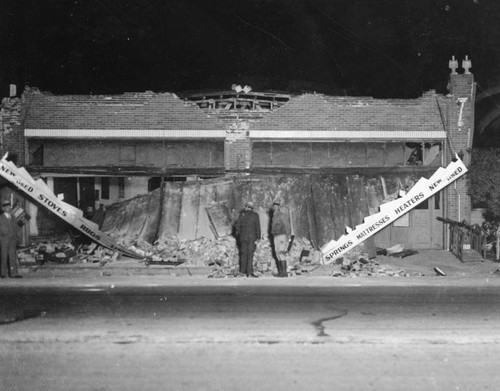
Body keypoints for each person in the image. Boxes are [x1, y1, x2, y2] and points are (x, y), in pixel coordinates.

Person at [234, 201, 261, 278]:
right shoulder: (255, 215)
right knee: (250, 255)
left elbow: (237, 227)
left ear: (246, 207)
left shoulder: (242, 215)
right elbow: (258, 227)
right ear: (252, 208)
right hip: (252, 238)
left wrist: (238, 235)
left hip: (243, 238)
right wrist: (258, 237)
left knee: (243, 255)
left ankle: (242, 272)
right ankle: (249, 273)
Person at [271, 201, 293, 277]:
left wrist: (288, 236)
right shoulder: (274, 215)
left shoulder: (281, 215)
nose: (274, 208)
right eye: (274, 206)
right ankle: (281, 272)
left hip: (281, 235)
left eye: (276, 206)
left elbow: (287, 226)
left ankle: (284, 272)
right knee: (277, 253)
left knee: (281, 252)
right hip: (276, 235)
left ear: (278, 207)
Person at [0, 199, 21, 278]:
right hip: (4, 240)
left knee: (12, 256)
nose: (8, 208)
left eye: (9, 206)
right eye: (6, 207)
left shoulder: (13, 217)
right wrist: (7, 234)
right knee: (4, 256)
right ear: (3, 209)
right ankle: (3, 273)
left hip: (13, 240)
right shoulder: (1, 218)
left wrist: (17, 236)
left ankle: (14, 273)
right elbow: (2, 229)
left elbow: (16, 227)